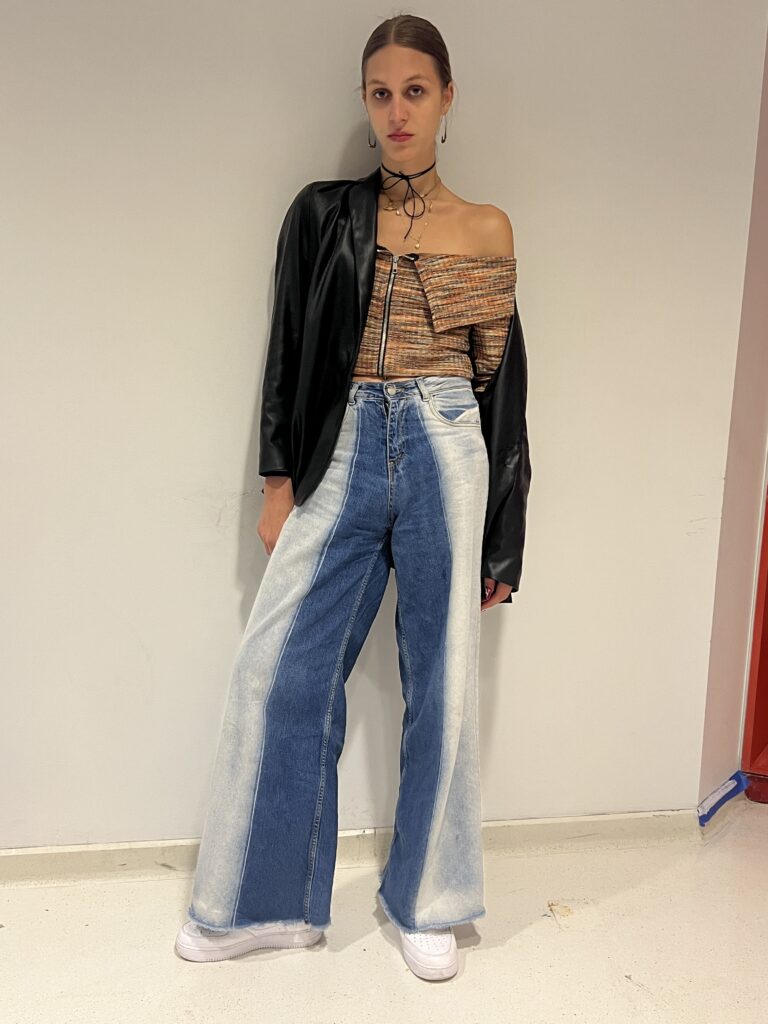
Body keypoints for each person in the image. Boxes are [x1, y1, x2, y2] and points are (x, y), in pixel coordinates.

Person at [174, 14, 531, 982]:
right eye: (380, 91)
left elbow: (502, 393)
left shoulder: (487, 228)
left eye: (415, 89)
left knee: (443, 688)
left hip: (446, 443)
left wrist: (504, 539)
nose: (396, 110)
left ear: (447, 98)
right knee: (277, 672)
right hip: (341, 450)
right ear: (364, 102)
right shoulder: (325, 212)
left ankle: (429, 900)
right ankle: (263, 903)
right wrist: (279, 475)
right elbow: (290, 348)